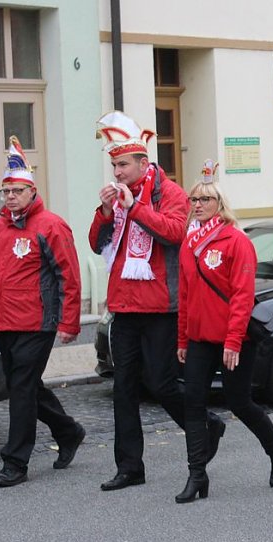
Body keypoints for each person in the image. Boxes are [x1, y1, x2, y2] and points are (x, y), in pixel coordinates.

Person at [90, 111, 224, 491]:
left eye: (123, 165)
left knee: (162, 384)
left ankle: (205, 425)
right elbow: (97, 244)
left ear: (143, 162)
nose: (117, 172)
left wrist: (135, 207)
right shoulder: (118, 198)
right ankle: (130, 467)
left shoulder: (171, 193)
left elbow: (174, 232)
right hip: (123, 305)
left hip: (162, 307)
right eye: (114, 166)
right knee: (123, 389)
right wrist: (105, 213)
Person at [175, 160, 273, 503]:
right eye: (194, 199)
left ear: (219, 204)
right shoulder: (188, 243)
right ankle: (197, 474)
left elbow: (242, 295)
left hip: (234, 339)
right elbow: (185, 295)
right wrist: (182, 338)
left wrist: (233, 341)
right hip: (199, 338)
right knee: (192, 403)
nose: (198, 205)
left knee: (239, 402)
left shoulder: (236, 241)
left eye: (205, 200)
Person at [0, 136, 85, 487]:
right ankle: (68, 431)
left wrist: (69, 322)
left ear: (32, 192)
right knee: (24, 386)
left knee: (22, 389)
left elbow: (68, 275)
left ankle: (15, 462)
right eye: (6, 191)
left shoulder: (51, 225)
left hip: (38, 323)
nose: (10, 197)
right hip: (5, 321)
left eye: (17, 191)